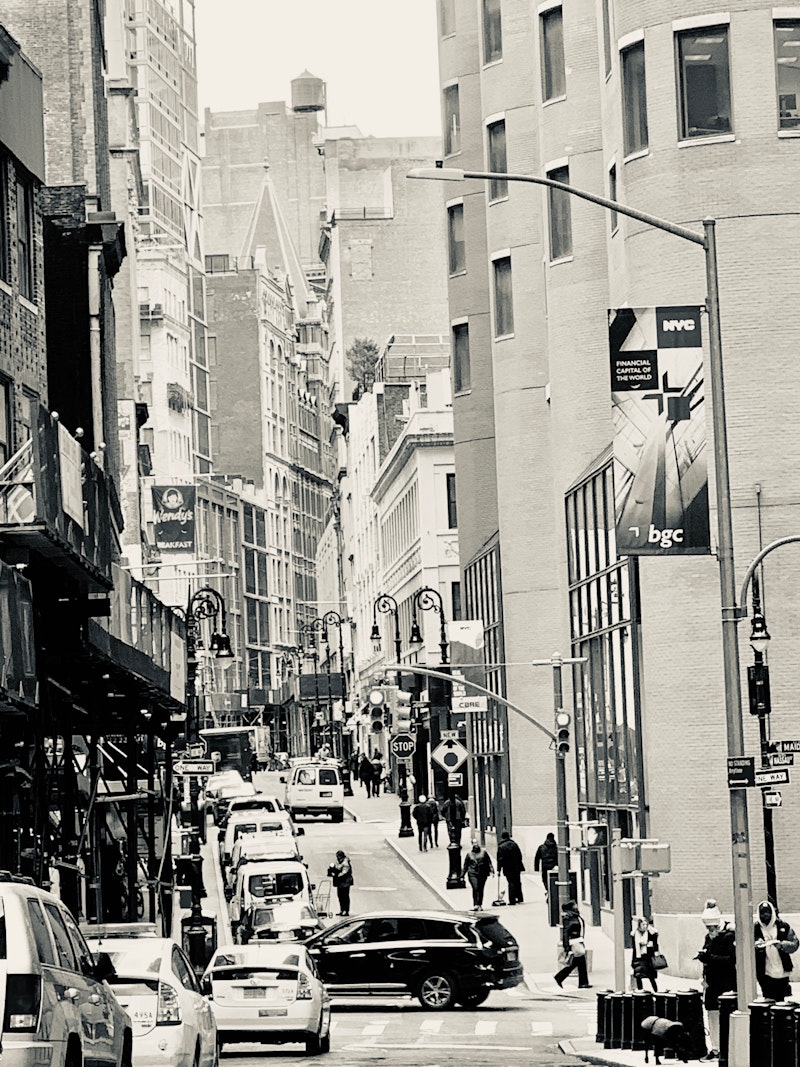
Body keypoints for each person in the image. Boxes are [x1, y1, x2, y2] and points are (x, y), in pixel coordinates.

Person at [695, 899, 736, 1061]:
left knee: (725, 1014)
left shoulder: (728, 937)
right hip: (711, 983)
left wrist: (710, 957)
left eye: (712, 927)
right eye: (708, 928)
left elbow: (731, 959)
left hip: (725, 982)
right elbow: (707, 954)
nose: (710, 930)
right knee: (711, 1014)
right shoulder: (708, 938)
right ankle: (715, 1048)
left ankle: (725, 1047)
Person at [753, 898, 799, 1002]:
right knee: (768, 997)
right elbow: (746, 944)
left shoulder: (783, 926)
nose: (765, 915)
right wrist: (756, 944)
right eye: (762, 913)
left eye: (768, 912)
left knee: (780, 999)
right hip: (764, 970)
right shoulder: (755, 928)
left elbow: (795, 944)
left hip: (782, 969)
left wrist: (782, 945)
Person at [554, 900, 591, 989]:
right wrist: (567, 947)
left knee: (577, 963)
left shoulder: (575, 916)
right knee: (579, 963)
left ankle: (560, 978)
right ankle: (581, 982)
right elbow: (566, 933)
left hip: (578, 941)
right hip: (574, 943)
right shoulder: (568, 918)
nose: (577, 907)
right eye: (575, 906)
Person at [630, 915, 660, 992]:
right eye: (643, 924)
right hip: (638, 957)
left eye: (646, 924)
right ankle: (640, 991)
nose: (645, 926)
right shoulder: (635, 934)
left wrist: (654, 949)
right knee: (638, 975)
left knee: (651, 977)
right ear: (639, 925)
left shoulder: (650, 933)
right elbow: (634, 948)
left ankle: (656, 991)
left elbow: (655, 943)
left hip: (648, 958)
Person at [461, 841, 494, 910]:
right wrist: (462, 875)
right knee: (475, 887)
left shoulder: (484, 853)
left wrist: (492, 871)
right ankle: (476, 904)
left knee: (481, 888)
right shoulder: (469, 854)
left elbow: (488, 862)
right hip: (472, 873)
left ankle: (479, 904)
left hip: (483, 873)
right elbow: (465, 865)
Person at [497, 831, 525, 904]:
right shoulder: (514, 844)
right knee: (517, 881)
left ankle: (512, 900)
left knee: (511, 882)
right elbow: (520, 855)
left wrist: (498, 870)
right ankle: (519, 897)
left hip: (507, 867)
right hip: (516, 866)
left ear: (502, 837)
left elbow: (500, 859)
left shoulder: (501, 847)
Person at [328, 849, 353, 917]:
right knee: (340, 896)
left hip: (345, 882)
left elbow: (344, 873)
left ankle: (346, 910)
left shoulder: (345, 863)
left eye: (338, 857)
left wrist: (336, 875)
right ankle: (342, 910)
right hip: (340, 883)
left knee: (345, 896)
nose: (337, 858)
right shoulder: (339, 862)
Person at [534, 832, 558, 896]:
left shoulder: (541, 847)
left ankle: (548, 890)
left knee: (545, 880)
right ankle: (551, 891)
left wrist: (536, 868)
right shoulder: (556, 847)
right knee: (553, 879)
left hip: (545, 866)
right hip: (554, 866)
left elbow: (537, 858)